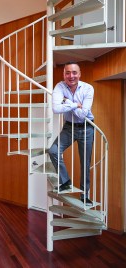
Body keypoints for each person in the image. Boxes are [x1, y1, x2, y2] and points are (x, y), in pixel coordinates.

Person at [48, 62, 94, 205]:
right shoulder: (60, 86)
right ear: (64, 74)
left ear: (79, 74)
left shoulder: (88, 88)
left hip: (87, 128)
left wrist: (66, 102)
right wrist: (74, 104)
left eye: (74, 73)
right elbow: (56, 109)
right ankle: (65, 181)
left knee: (85, 164)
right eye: (67, 73)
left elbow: (83, 114)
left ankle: (84, 196)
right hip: (69, 127)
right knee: (53, 151)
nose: (71, 76)